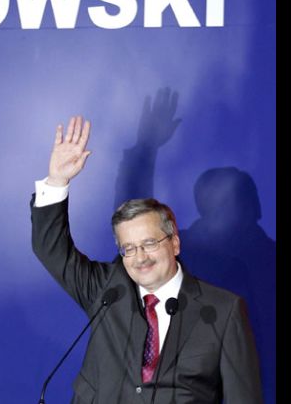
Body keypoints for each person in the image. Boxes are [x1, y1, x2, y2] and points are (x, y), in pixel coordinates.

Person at [31, 115, 263, 404]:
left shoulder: (223, 310)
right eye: (128, 248)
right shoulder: (106, 290)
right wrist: (57, 180)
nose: (139, 257)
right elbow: (51, 249)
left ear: (175, 242)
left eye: (149, 243)